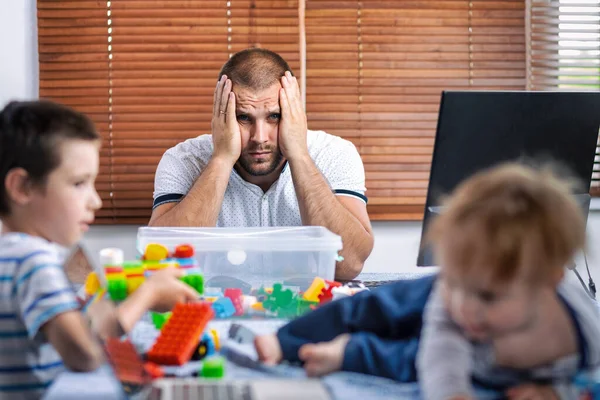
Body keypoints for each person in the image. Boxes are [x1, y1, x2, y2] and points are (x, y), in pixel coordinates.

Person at [254, 163, 600, 400]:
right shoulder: (454, 298)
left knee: (409, 361)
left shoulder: (585, 330)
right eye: (456, 281)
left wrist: (557, 391)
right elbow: (443, 365)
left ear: (549, 282)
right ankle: (286, 339)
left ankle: (348, 352)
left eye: (488, 296)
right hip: (440, 314)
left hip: (483, 364)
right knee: (375, 308)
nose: (466, 308)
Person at [0, 100, 200, 400]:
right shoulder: (31, 259)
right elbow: (85, 353)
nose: (96, 201)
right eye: (79, 183)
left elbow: (75, 334)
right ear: (22, 187)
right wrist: (147, 294)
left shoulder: (14, 254)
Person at [148, 48, 373, 280]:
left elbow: (349, 265)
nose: (260, 137)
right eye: (243, 117)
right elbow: (165, 266)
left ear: (294, 112)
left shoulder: (334, 154)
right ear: (221, 114)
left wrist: (300, 156)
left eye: (274, 116)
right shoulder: (184, 159)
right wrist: (221, 159)